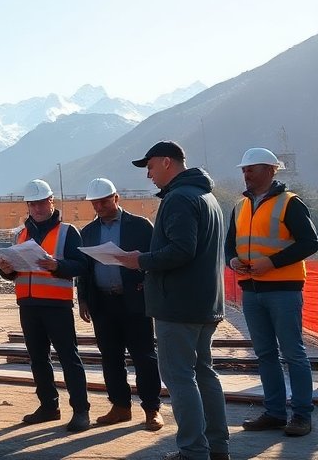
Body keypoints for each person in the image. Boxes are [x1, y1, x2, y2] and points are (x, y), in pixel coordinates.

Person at [112, 141, 229, 460]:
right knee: (204, 374)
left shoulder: (179, 198)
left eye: (150, 166)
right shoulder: (206, 197)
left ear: (166, 162)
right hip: (205, 303)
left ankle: (193, 450)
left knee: (180, 378)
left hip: (178, 305)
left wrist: (141, 260)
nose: (148, 174)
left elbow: (181, 250)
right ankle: (217, 447)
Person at [226, 147, 317, 438]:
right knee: (265, 354)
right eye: (244, 169)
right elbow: (230, 244)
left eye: (251, 169)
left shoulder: (290, 203)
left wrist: (272, 263)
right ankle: (275, 413)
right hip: (251, 291)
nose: (246, 174)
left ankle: (301, 416)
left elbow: (310, 242)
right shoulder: (240, 206)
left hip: (283, 291)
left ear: (270, 170)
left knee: (293, 353)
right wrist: (232, 260)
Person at [0, 178, 91, 432]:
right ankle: (49, 407)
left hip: (56, 305)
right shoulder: (20, 234)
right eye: (32, 204)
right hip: (28, 305)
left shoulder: (68, 232)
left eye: (41, 203)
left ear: (51, 201)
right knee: (38, 359)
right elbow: (15, 273)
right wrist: (6, 270)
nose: (37, 208)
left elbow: (82, 266)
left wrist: (57, 265)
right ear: (28, 206)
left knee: (69, 358)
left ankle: (81, 411)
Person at [76, 178, 163, 431]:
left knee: (144, 357)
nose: (99, 207)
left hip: (135, 301)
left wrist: (147, 284)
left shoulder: (140, 226)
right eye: (95, 203)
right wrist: (83, 299)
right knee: (110, 357)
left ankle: (152, 408)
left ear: (116, 198)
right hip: (103, 304)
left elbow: (155, 260)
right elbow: (85, 269)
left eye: (104, 202)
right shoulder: (89, 232)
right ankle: (120, 406)